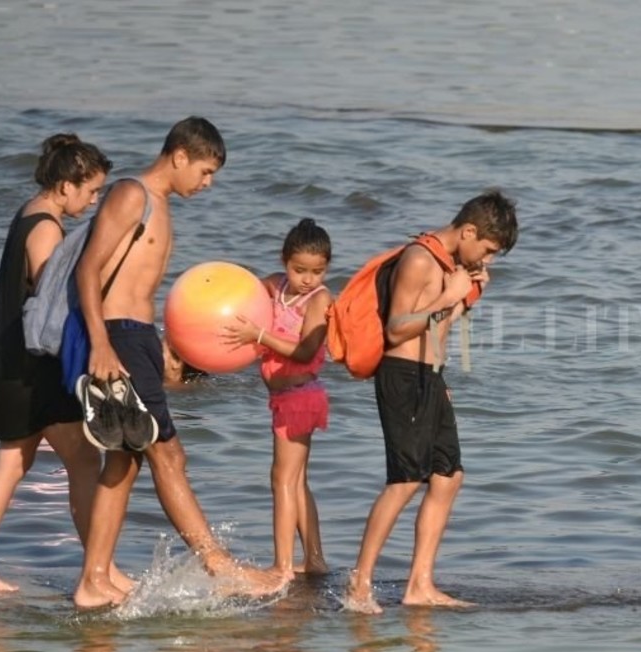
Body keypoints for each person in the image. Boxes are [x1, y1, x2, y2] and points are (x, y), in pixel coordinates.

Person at [71, 117, 286, 609]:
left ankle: (94, 578)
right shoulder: (131, 195)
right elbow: (88, 268)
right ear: (180, 156)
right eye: (206, 172)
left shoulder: (162, 205)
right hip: (119, 336)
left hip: (141, 337)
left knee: (123, 461)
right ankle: (219, 566)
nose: (207, 184)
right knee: (168, 455)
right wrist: (101, 345)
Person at [345, 191, 518, 613]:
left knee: (447, 477)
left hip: (430, 378)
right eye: (489, 250)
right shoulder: (420, 259)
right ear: (469, 231)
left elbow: (435, 330)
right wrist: (446, 297)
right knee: (404, 480)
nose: (488, 259)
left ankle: (420, 584)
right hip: (402, 378)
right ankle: (359, 585)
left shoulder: (448, 265)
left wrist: (466, 297)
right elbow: (396, 330)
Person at [0, 135, 127, 592]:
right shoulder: (46, 227)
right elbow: (51, 301)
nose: (95, 199)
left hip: (13, 363)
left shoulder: (30, 210)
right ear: (65, 186)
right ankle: (99, 571)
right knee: (85, 461)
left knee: (11, 462)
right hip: (36, 368)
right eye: (91, 191)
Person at [222, 218, 332, 579]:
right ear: (284, 261)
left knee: (282, 480)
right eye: (299, 269)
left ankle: (282, 566)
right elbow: (245, 289)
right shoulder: (277, 285)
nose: (307, 278)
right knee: (296, 481)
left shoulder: (319, 300)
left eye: (317, 271)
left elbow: (305, 350)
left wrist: (260, 335)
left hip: (301, 396)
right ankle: (314, 561)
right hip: (285, 397)